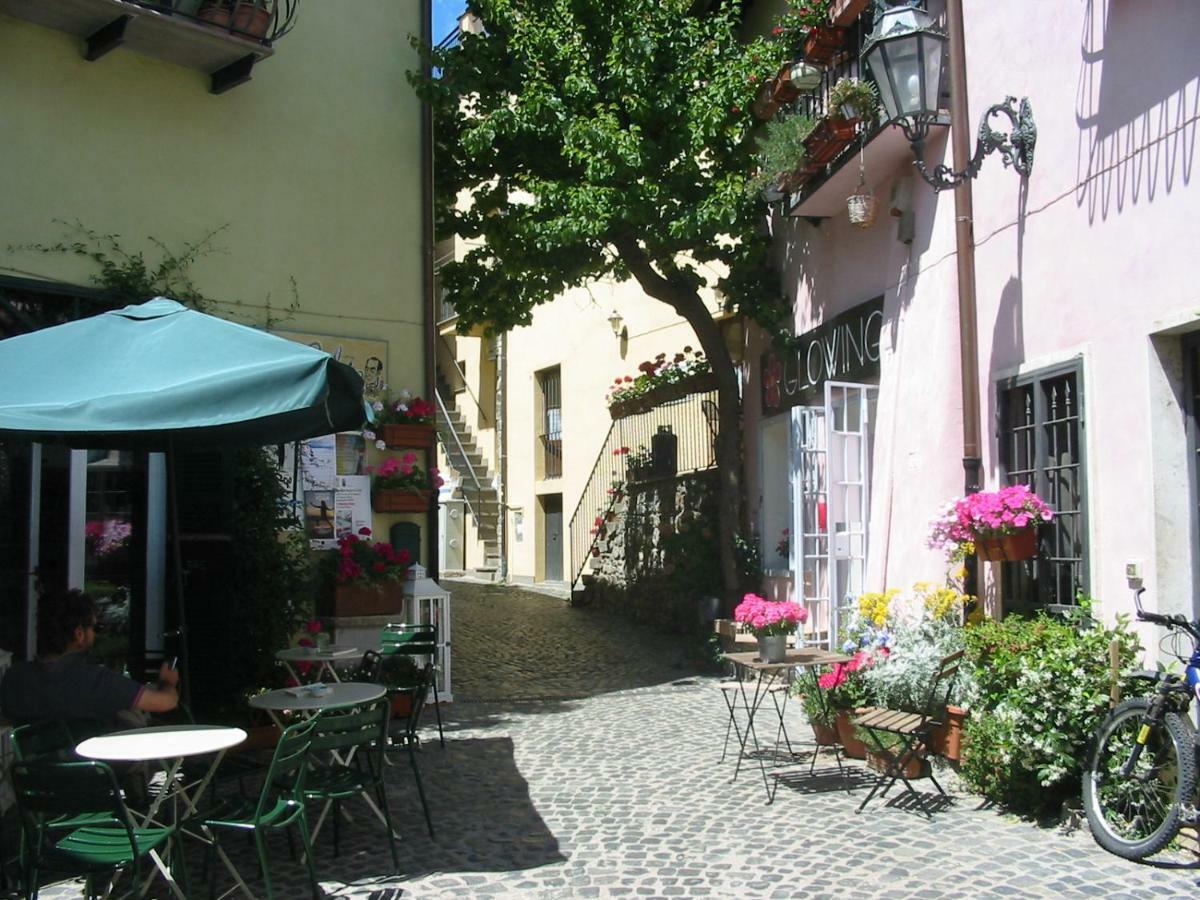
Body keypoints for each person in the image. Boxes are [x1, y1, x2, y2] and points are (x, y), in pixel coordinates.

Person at [0, 589, 179, 731]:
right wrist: (167, 682)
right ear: (79, 634)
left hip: (34, 773)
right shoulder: (95, 680)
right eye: (95, 627)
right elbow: (165, 702)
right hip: (101, 775)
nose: (96, 633)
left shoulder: (14, 678)